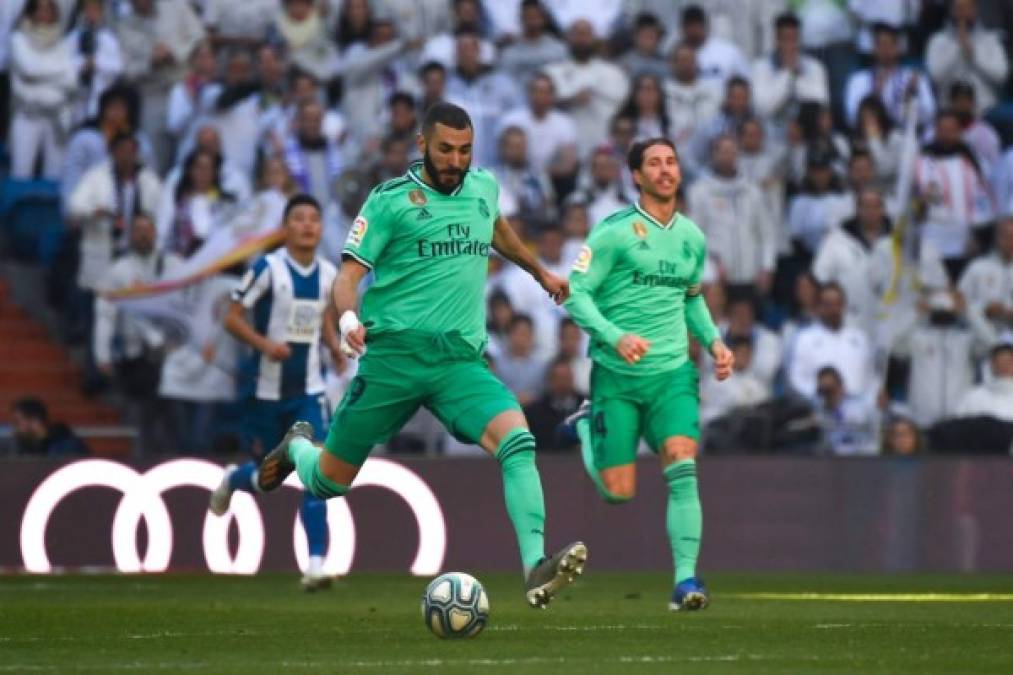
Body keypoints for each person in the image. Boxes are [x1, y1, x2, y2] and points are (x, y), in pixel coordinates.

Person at [248, 103, 587, 608]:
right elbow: (347, 275)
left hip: (459, 362)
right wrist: (346, 320)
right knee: (329, 482)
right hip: (393, 358)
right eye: (446, 149)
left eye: (465, 150)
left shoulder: (484, 188)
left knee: (517, 440)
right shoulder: (389, 201)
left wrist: (541, 274)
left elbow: (496, 229)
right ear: (423, 146)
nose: (456, 160)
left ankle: (534, 565)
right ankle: (298, 447)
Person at [561, 137, 734, 611]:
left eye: (672, 162)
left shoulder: (691, 238)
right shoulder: (613, 232)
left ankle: (685, 582)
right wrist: (615, 336)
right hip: (616, 376)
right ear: (636, 176)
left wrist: (715, 341)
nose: (665, 170)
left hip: (672, 375)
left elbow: (692, 297)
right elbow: (575, 293)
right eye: (654, 163)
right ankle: (584, 426)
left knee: (682, 463)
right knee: (617, 493)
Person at [208, 194, 342, 592]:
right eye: (299, 218)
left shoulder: (328, 273)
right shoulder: (267, 268)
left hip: (309, 392)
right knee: (271, 479)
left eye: (314, 219)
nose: (307, 225)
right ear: (285, 228)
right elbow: (231, 318)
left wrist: (333, 347)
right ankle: (236, 479)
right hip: (267, 393)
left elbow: (323, 318)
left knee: (318, 471)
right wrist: (266, 346)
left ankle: (316, 565)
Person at [9, 0, 77, 179]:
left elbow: (71, 79)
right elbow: (28, 68)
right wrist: (58, 74)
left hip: (56, 115)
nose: (44, 13)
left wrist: (39, 77)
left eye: (49, 8)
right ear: (31, 11)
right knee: (21, 172)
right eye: (40, 8)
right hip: (27, 114)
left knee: (54, 174)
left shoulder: (63, 42)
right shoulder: (18, 39)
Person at [926, 0, 1009, 116]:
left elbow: (1001, 76)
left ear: (975, 10)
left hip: (985, 111)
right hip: (949, 112)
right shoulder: (938, 40)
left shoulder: (991, 40)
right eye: (959, 8)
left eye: (967, 7)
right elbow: (935, 76)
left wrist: (973, 56)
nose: (963, 12)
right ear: (952, 10)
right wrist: (959, 49)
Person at [958, 218, 1013, 357]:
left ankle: (1000, 351)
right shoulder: (978, 267)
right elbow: (959, 303)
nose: (1009, 242)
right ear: (997, 238)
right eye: (1005, 236)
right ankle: (998, 349)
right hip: (982, 336)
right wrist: (985, 309)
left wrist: (1006, 312)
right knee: (972, 310)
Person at [10, 397, 89, 456]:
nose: (15, 427)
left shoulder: (66, 445)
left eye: (17, 421)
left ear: (34, 420)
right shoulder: (24, 446)